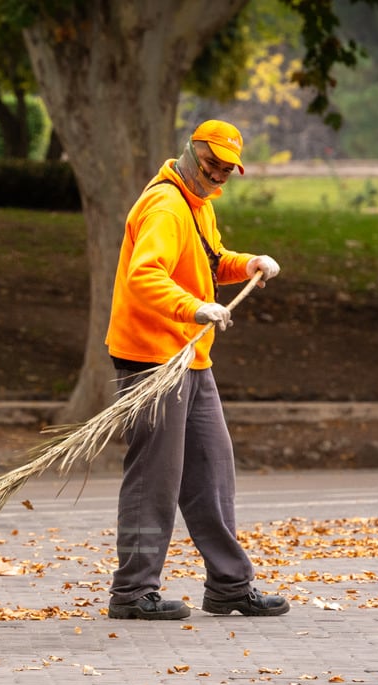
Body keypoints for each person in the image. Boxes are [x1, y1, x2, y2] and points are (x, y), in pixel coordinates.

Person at [105, 119, 289, 621]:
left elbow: (211, 260)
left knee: (212, 467)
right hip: (150, 359)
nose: (217, 177)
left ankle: (230, 585)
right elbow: (145, 275)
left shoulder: (197, 206)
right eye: (211, 166)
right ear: (190, 152)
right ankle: (132, 592)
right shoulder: (166, 204)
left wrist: (248, 263)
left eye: (227, 171)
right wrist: (194, 308)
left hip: (188, 355)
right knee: (155, 475)